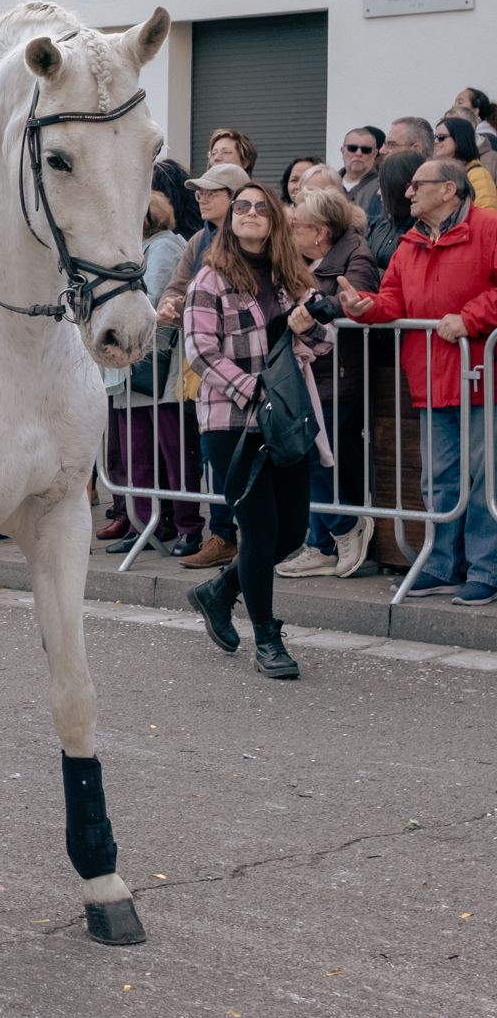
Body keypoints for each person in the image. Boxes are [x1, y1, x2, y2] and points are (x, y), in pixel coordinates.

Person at [182, 183, 331, 679]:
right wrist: (254, 389)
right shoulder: (211, 277)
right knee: (260, 529)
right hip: (233, 422)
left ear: (273, 221)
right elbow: (201, 351)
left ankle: (220, 592)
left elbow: (324, 340)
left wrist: (308, 324)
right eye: (240, 206)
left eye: (259, 207)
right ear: (231, 220)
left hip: (285, 417)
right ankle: (267, 638)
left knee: (292, 531)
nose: (248, 213)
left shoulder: (292, 277)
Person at [340, 160, 497, 604]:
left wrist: (468, 319)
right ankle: (443, 564)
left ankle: (485, 570)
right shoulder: (411, 242)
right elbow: (393, 299)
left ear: (448, 189)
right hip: (432, 379)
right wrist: (362, 306)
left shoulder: (489, 227)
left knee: (487, 482)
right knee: (439, 480)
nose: (407, 192)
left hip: (484, 378)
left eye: (417, 185)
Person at [272, 189, 380, 580]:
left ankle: (343, 526)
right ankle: (323, 542)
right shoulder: (298, 258)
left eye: (296, 225)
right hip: (304, 376)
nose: (290, 231)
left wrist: (313, 306)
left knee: (324, 464)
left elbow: (354, 299)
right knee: (307, 461)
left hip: (337, 375)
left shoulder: (356, 254)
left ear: (318, 232)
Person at [157, 161, 252, 566]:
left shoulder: (253, 238)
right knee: (214, 453)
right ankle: (223, 535)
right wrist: (169, 304)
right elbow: (175, 288)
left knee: (246, 456)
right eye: (199, 191)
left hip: (247, 363)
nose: (201, 197)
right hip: (204, 365)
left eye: (212, 192)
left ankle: (258, 537)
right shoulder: (198, 240)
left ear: (235, 199)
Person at [98, 193, 196, 551]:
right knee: (134, 452)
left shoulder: (164, 246)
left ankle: (186, 524)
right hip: (128, 369)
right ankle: (143, 523)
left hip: (158, 364)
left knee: (172, 451)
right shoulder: (130, 248)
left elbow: (152, 296)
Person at [366, 151, 422, 269]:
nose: (378, 193)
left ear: (398, 189)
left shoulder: (422, 232)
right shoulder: (380, 225)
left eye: (384, 187)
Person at [433, 117, 497, 209]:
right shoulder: (444, 173)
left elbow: (488, 212)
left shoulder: (478, 174)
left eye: (441, 137)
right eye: (434, 137)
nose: (435, 141)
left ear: (459, 138)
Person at [339, 127, 384, 214]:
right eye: (352, 148)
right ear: (342, 151)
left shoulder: (383, 188)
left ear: (375, 154)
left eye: (365, 150)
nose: (358, 153)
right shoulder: (328, 183)